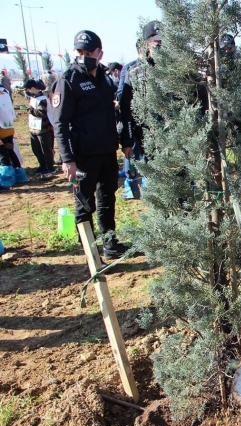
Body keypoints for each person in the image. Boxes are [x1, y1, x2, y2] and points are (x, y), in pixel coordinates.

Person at [53, 30, 130, 260]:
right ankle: (89, 251)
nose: (83, 56)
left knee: (108, 199)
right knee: (84, 204)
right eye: (79, 52)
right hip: (83, 155)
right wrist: (68, 160)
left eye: (89, 52)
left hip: (107, 151)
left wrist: (124, 142)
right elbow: (60, 123)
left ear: (100, 53)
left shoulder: (105, 79)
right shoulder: (68, 80)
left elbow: (115, 111)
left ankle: (110, 244)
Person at [119, 21, 162, 164]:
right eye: (157, 42)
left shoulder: (178, 71)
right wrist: (127, 141)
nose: (161, 46)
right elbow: (126, 109)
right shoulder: (134, 73)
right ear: (146, 44)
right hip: (147, 139)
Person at [24, 79, 56, 175]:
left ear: (33, 88)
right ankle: (42, 165)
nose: (27, 92)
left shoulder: (42, 99)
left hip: (43, 129)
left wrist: (30, 110)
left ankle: (50, 167)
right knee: (36, 149)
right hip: (33, 129)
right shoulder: (33, 98)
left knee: (46, 149)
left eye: (27, 89)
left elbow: (42, 113)